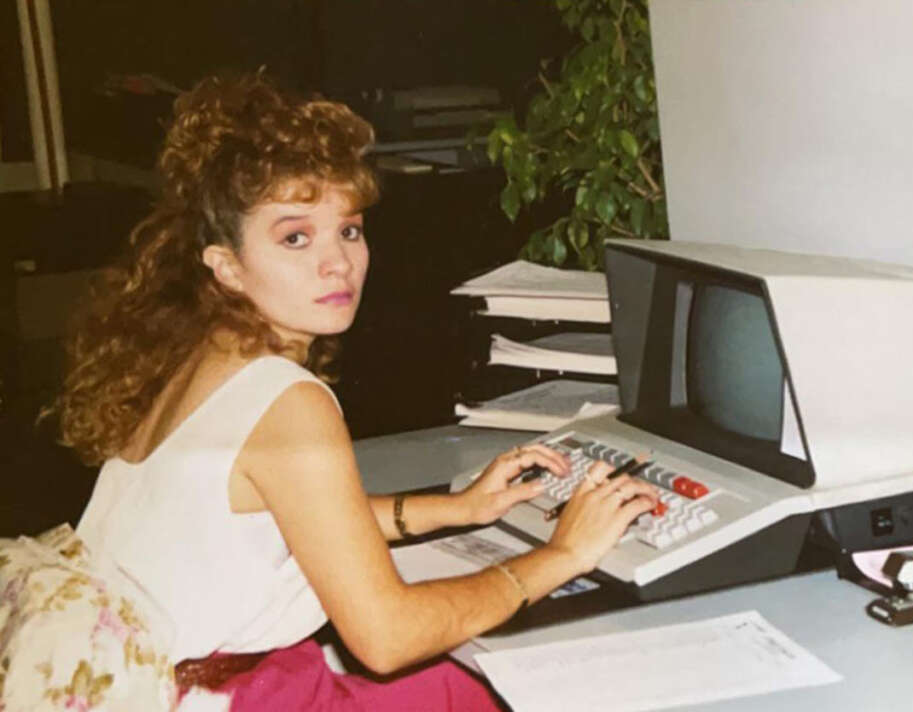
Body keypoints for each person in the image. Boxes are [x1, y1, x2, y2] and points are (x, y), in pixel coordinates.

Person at [53, 72, 659, 710]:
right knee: (517, 683)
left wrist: (454, 509)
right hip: (231, 700)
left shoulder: (202, 360)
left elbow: (287, 518)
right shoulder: (288, 401)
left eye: (347, 230)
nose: (336, 262)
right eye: (295, 237)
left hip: (154, 689)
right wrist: (562, 555)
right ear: (226, 266)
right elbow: (386, 639)